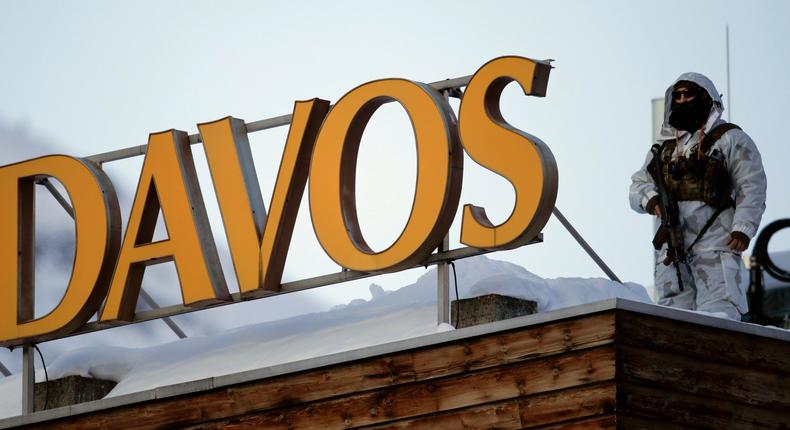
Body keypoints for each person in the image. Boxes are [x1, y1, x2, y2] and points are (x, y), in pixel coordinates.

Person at [629, 72, 767, 320]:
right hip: (672, 247)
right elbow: (638, 184)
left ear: (705, 97)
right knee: (672, 317)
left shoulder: (730, 139)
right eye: (678, 95)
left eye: (688, 94)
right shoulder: (664, 148)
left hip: (716, 243)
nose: (682, 100)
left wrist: (743, 227)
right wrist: (651, 199)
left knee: (718, 313)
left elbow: (752, 184)